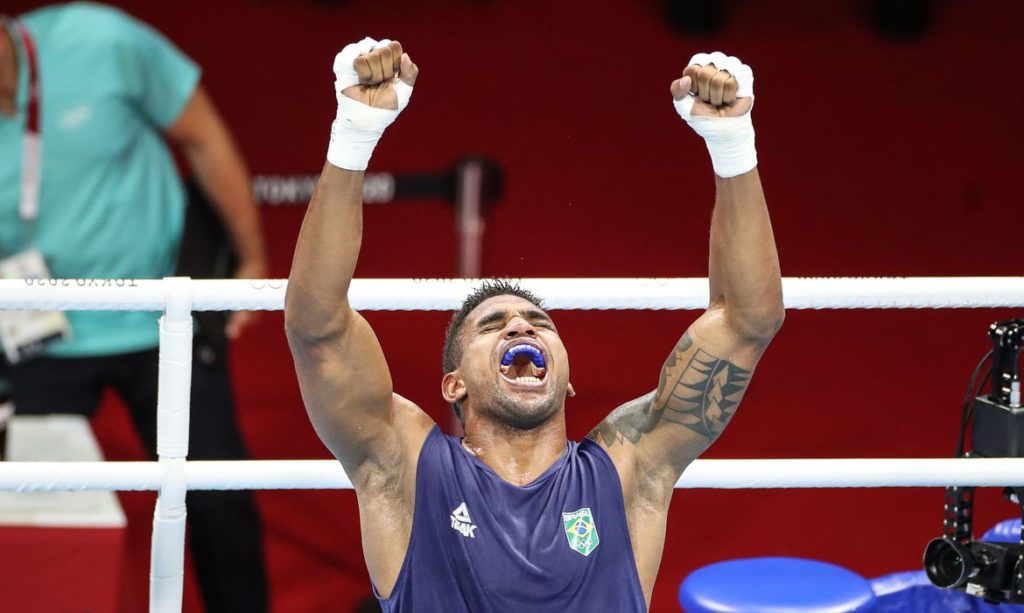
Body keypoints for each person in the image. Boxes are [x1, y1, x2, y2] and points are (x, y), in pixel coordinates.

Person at [285, 38, 783, 611]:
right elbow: (316, 325)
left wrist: (731, 143)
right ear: (454, 385)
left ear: (567, 378)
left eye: (538, 322)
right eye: (493, 324)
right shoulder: (405, 469)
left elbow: (747, 321)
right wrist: (355, 132)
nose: (521, 327)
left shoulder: (628, 469)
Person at [0, 4, 269, 611]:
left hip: (162, 316)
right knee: (25, 510)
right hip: (37, 332)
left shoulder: (98, 40)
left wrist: (250, 262)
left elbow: (203, 136)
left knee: (219, 499)